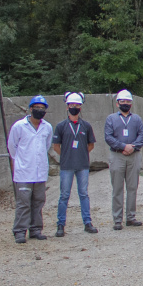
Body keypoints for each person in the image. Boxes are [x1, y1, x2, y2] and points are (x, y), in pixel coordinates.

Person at [8, 95, 53, 243]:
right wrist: (20, 162)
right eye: (37, 108)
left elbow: (47, 145)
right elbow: (12, 147)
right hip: (24, 172)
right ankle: (20, 231)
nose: (39, 110)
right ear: (31, 109)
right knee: (23, 203)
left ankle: (35, 229)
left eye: (42, 108)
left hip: (40, 172)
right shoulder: (19, 126)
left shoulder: (47, 127)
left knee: (38, 201)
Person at [52, 92, 96, 236]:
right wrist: (67, 155)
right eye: (72, 105)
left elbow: (91, 145)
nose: (74, 107)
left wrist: (80, 153)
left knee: (84, 194)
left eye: (77, 105)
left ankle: (87, 222)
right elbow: (56, 146)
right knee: (64, 195)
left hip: (83, 165)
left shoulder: (86, 126)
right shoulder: (61, 126)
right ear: (67, 107)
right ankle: (60, 224)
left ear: (80, 107)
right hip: (67, 166)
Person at [104, 89, 143, 230]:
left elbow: (142, 135)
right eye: (123, 101)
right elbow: (108, 137)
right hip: (117, 155)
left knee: (132, 187)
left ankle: (131, 217)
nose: (125, 104)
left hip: (134, 155)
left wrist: (132, 147)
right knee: (117, 188)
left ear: (131, 104)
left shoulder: (137, 119)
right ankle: (117, 219)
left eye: (128, 101)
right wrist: (123, 146)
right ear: (117, 103)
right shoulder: (111, 119)